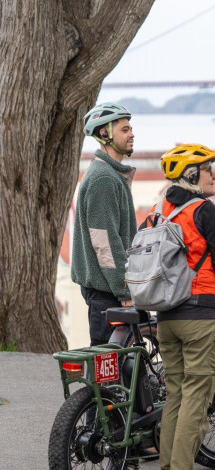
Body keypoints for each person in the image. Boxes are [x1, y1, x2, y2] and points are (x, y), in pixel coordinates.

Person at [155, 144, 215, 470]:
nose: (213, 175)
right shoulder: (206, 211)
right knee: (196, 397)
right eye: (207, 170)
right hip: (201, 314)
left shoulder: (160, 210)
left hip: (167, 317)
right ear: (191, 175)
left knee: (175, 394)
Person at [72, 102, 137, 345]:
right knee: (107, 373)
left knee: (120, 370)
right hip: (107, 292)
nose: (131, 134)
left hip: (108, 288)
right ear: (104, 133)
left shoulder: (111, 174)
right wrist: (124, 290)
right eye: (124, 129)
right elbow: (105, 243)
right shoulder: (103, 179)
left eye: (131, 129)